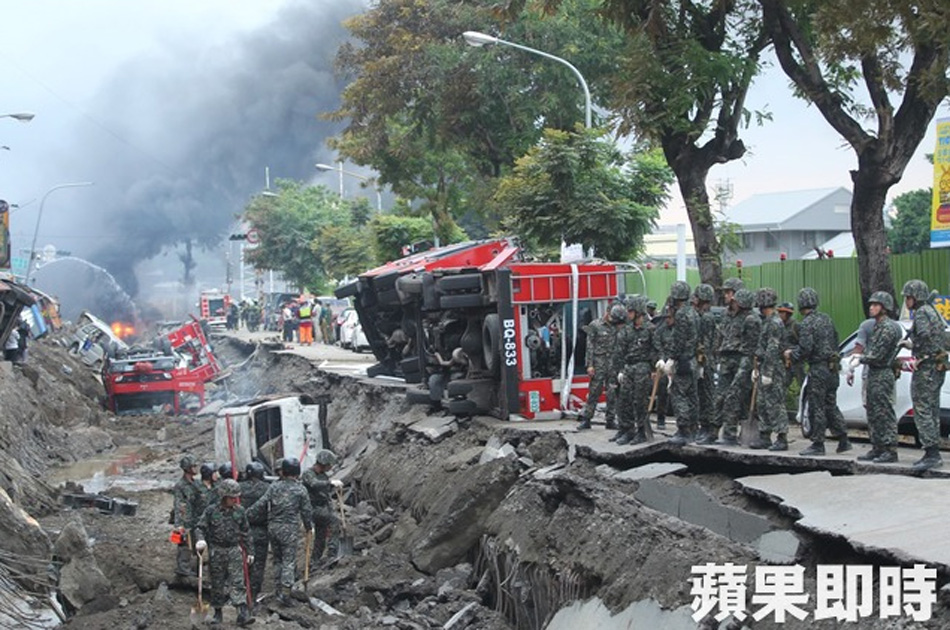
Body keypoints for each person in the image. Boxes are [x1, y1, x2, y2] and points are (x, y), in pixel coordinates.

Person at [784, 287, 851, 456]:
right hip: (832, 368)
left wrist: (792, 354)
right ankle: (843, 439)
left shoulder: (807, 323)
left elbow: (806, 348)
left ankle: (818, 443)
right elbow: (835, 339)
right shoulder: (826, 319)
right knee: (831, 404)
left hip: (818, 369)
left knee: (817, 406)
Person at [246, 457, 312, 606]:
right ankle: (286, 593)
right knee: (288, 560)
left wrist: (245, 515)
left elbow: (261, 504)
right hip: (289, 530)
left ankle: (277, 590)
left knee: (277, 560)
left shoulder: (274, 487)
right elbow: (306, 512)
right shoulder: (301, 490)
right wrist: (309, 527)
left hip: (273, 528)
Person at [195, 478, 254, 627]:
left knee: (238, 582)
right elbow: (199, 528)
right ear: (223, 496)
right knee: (217, 583)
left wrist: (250, 551)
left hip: (234, 550)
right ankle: (217, 613)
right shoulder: (211, 511)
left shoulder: (240, 511)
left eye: (236, 497)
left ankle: (242, 613)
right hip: (217, 550)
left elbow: (246, 532)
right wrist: (200, 540)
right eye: (232, 497)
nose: (235, 500)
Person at [851, 292, 902, 463]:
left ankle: (890, 450)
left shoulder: (887, 328)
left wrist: (861, 358)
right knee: (873, 413)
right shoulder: (877, 326)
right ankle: (878, 447)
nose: (871, 307)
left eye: (875, 305)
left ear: (884, 307)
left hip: (882, 373)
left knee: (884, 413)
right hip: (874, 373)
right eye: (871, 304)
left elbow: (878, 355)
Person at [901, 280, 946, 470]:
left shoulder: (921, 313)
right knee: (932, 408)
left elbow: (925, 335)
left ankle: (931, 453)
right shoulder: (932, 311)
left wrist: (912, 345)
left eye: (908, 297)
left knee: (922, 409)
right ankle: (933, 451)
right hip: (936, 366)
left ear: (915, 297)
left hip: (926, 366)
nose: (906, 301)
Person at [703, 277, 745, 444]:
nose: (725, 296)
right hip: (726, 359)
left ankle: (730, 434)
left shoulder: (748, 316)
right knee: (719, 396)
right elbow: (720, 337)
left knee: (734, 398)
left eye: (728, 292)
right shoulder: (726, 315)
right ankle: (714, 431)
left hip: (740, 360)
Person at [719, 288, 760, 446]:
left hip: (745, 361)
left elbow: (751, 347)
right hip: (731, 359)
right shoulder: (730, 316)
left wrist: (752, 366)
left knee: (734, 396)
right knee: (729, 396)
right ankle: (729, 432)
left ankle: (730, 434)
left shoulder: (751, 320)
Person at [614, 296, 656, 445]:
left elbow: (655, 349)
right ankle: (627, 430)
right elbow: (620, 351)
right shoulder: (627, 329)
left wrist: (654, 368)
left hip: (643, 367)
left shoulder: (650, 329)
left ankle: (641, 432)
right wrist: (620, 370)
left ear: (638, 312)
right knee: (625, 399)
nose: (628, 314)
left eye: (631, 311)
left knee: (640, 401)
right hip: (629, 367)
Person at [661, 281, 700, 445]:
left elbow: (679, 339)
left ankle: (684, 430)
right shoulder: (694, 313)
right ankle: (693, 429)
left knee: (679, 395)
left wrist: (672, 358)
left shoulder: (681, 315)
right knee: (692, 396)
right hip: (692, 359)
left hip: (683, 360)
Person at [578, 305, 626, 430]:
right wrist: (589, 365)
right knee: (594, 391)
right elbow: (589, 346)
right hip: (598, 363)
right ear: (607, 312)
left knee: (612, 393)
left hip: (613, 364)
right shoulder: (595, 325)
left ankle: (610, 420)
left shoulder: (618, 326)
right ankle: (586, 419)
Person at [751, 288, 788, 450]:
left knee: (775, 403)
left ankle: (781, 438)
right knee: (762, 402)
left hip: (772, 369)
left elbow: (773, 349)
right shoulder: (767, 321)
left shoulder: (774, 322)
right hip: (764, 366)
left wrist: (768, 372)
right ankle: (764, 435)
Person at [301, 450, 343, 569]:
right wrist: (330, 483)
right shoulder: (308, 474)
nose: (330, 467)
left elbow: (326, 496)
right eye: (329, 464)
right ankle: (332, 555)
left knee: (321, 535)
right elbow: (314, 484)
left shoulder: (323, 476)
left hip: (322, 508)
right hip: (311, 509)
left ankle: (315, 561)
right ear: (324, 463)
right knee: (334, 521)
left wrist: (331, 508)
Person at [240, 462, 270, 602]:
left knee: (241, 563)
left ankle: (239, 593)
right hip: (261, 531)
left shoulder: (239, 488)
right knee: (258, 564)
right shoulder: (267, 489)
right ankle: (253, 595)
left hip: (242, 531)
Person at [693, 284, 717, 442]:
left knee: (707, 395)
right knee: (701, 394)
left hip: (706, 361)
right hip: (702, 360)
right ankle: (704, 426)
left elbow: (706, 343)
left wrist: (701, 362)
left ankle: (709, 428)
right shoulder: (701, 315)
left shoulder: (707, 317)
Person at [172, 455, 202, 577]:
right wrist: (179, 524)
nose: (196, 468)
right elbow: (179, 505)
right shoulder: (180, 486)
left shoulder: (196, 484)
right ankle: (183, 568)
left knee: (197, 542)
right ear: (187, 468)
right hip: (185, 518)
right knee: (184, 543)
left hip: (195, 518)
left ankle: (195, 567)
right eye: (193, 466)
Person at [651, 305, 674, 428]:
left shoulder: (679, 330)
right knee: (662, 391)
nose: (667, 320)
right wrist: (661, 359)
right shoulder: (660, 330)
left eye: (669, 317)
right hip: (664, 365)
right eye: (665, 318)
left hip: (677, 363)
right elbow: (657, 346)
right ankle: (661, 418)